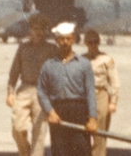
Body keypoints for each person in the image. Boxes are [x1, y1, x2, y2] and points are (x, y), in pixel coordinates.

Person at [37, 22, 98, 156]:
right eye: (61, 39)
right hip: (58, 112)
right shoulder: (48, 65)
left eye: (68, 38)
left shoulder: (84, 64)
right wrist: (50, 112)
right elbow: (41, 91)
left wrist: (92, 118)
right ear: (56, 40)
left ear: (74, 39)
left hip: (79, 111)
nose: (65, 42)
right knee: (60, 152)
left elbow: (90, 92)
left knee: (82, 150)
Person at [6, 14, 55, 156]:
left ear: (45, 31)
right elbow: (14, 72)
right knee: (17, 128)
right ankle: (26, 153)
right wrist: (10, 92)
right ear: (30, 31)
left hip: (43, 92)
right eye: (35, 29)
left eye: (41, 29)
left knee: (39, 132)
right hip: (25, 90)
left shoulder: (52, 49)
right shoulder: (23, 48)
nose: (38, 32)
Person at [84, 29, 121, 156]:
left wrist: (113, 102)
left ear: (98, 43)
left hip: (101, 95)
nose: (92, 45)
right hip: (84, 96)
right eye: (90, 42)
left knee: (100, 132)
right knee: (84, 129)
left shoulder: (106, 59)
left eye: (95, 42)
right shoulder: (81, 59)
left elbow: (115, 82)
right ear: (85, 43)